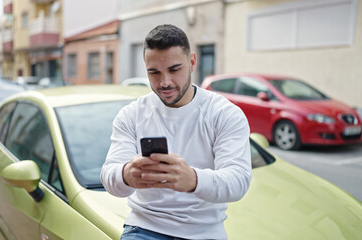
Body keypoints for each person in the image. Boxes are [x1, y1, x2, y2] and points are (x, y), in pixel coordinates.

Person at [101, 24, 251, 240]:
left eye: (174, 69)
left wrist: (193, 179)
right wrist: (125, 175)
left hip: (204, 233)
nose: (165, 82)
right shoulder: (132, 115)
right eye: (154, 72)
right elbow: (109, 177)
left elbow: (238, 180)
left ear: (192, 62)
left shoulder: (224, 114)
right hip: (144, 229)